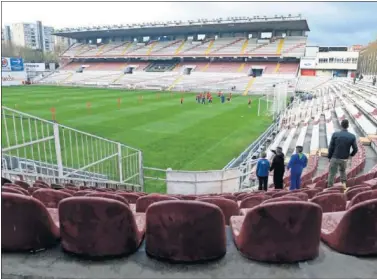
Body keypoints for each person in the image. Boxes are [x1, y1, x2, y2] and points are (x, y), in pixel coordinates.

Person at [328, 119, 358, 188]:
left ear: (341, 125)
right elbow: (355, 149)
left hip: (335, 157)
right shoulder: (352, 136)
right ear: (348, 126)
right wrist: (351, 155)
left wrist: (329, 157)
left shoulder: (335, 134)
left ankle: (330, 187)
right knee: (343, 171)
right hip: (344, 159)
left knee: (332, 173)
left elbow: (331, 147)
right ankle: (344, 185)